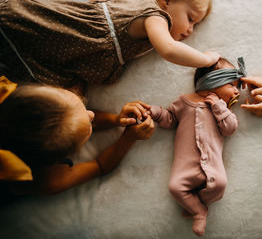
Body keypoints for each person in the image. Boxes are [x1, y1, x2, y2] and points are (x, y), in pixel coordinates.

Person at [0, 0, 219, 94]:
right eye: (190, 18)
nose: (190, 30)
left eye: (195, 25)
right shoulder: (156, 16)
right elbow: (169, 50)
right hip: (68, 34)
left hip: (73, 31)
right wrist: (205, 59)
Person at [0, 76, 154, 199]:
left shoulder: (12, 96)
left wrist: (116, 120)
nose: (92, 114)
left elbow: (73, 120)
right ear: (65, 155)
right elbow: (100, 165)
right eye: (89, 127)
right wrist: (128, 138)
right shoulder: (48, 180)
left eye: (81, 103)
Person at [149, 57, 245, 236]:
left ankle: (196, 206)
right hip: (186, 167)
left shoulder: (223, 109)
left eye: (237, 86)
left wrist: (219, 107)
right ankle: (200, 211)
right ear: (212, 81)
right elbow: (170, 118)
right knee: (175, 188)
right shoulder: (185, 101)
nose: (236, 91)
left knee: (220, 186)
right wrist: (155, 113)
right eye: (232, 84)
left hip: (213, 168)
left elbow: (230, 129)